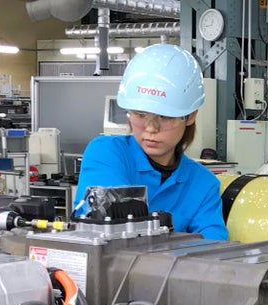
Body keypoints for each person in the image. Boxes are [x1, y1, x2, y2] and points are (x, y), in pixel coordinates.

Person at [72, 43, 228, 240]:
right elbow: (111, 218)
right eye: (140, 114)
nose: (151, 128)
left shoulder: (203, 184)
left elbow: (215, 249)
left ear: (189, 117)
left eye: (165, 117)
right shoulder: (107, 153)